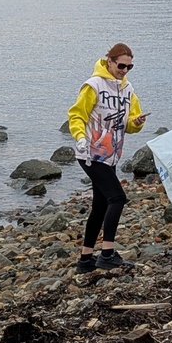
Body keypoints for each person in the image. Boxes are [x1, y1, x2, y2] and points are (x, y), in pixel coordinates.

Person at [67, 43, 148, 272]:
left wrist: (136, 122)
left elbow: (129, 124)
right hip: (91, 153)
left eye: (129, 67)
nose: (124, 70)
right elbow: (76, 115)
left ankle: (85, 260)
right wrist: (80, 137)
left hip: (111, 155)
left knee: (100, 205)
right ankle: (107, 254)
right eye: (121, 65)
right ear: (109, 62)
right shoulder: (93, 86)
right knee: (118, 198)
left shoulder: (128, 89)